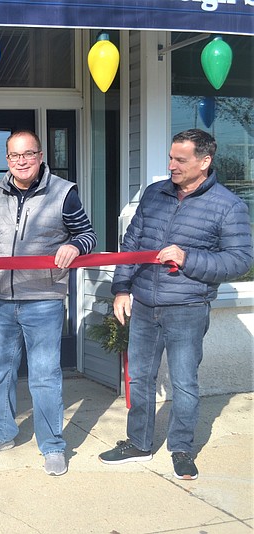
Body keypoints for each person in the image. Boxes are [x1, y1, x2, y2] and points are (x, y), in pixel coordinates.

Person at [99, 129, 253, 480]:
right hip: (144, 303)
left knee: (184, 382)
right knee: (139, 379)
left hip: (187, 307)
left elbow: (239, 260)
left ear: (205, 161)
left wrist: (188, 258)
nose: (172, 165)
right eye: (170, 157)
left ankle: (181, 448)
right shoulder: (154, 194)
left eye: (180, 160)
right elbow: (131, 243)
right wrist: (122, 288)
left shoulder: (228, 205)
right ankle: (138, 443)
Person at [0, 130, 97, 476]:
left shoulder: (63, 192)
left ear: (41, 156)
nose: (22, 161)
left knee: (44, 376)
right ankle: (1, 432)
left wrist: (76, 246)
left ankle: (53, 445)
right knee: (0, 372)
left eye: (29, 154)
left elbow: (87, 234)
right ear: (7, 160)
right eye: (15, 156)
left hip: (43, 301)